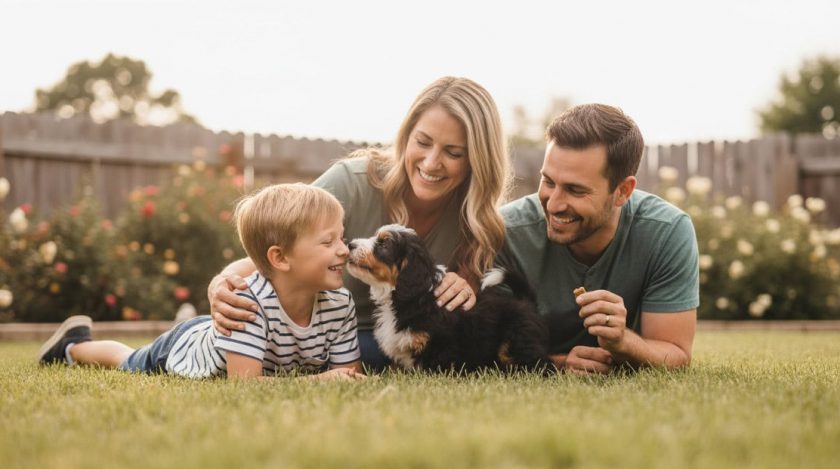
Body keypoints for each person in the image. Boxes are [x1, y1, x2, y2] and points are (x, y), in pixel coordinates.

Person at [208, 77, 511, 369]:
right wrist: (223, 282)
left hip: (388, 344)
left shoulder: (476, 221)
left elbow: (464, 327)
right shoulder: (351, 184)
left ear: (477, 160)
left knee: (373, 355)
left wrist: (465, 288)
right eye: (423, 142)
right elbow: (274, 254)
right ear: (406, 137)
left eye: (453, 152)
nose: (431, 163)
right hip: (320, 336)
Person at [38, 184, 364, 380]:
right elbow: (245, 385)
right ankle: (72, 345)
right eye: (327, 242)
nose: (343, 249)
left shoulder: (339, 304)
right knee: (128, 359)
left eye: (342, 237)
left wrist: (341, 379)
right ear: (280, 258)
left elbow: (347, 375)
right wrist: (319, 381)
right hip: (183, 349)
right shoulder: (247, 303)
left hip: (217, 335)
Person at [497, 103, 699, 373]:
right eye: (548, 182)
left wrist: (623, 341)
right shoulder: (505, 232)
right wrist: (557, 364)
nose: (554, 204)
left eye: (575, 190)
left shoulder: (667, 232)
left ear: (622, 191)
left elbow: (675, 353)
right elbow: (487, 348)